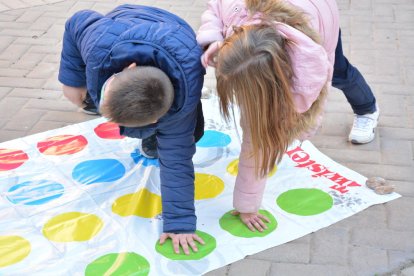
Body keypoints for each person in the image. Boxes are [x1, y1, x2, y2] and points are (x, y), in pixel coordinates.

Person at [196, 0, 360, 231]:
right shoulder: (236, 10)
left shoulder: (309, 64)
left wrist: (304, 123)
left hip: (319, 20)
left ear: (274, 83)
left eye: (248, 93)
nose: (241, 101)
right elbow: (215, 6)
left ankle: (367, 108)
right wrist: (212, 39)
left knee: (344, 73)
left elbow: (261, 141)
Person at [59, 4, 206, 255]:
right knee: (74, 93)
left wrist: (180, 224)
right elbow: (77, 19)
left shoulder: (183, 96)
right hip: (118, 31)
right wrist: (72, 77)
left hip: (176, 35)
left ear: (156, 120)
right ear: (128, 69)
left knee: (183, 138)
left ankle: (150, 136)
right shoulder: (97, 42)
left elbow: (177, 162)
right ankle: (99, 99)